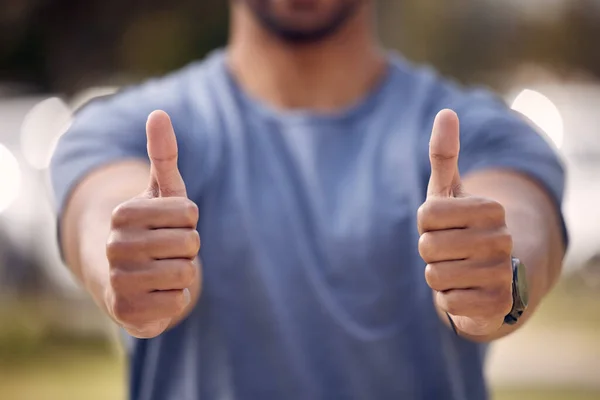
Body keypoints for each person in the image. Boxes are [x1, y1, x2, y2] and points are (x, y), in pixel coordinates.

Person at [50, 1, 568, 399]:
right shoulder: (122, 131)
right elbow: (98, 214)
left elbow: (523, 223)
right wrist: (131, 266)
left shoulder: (482, 131)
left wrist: (501, 285)